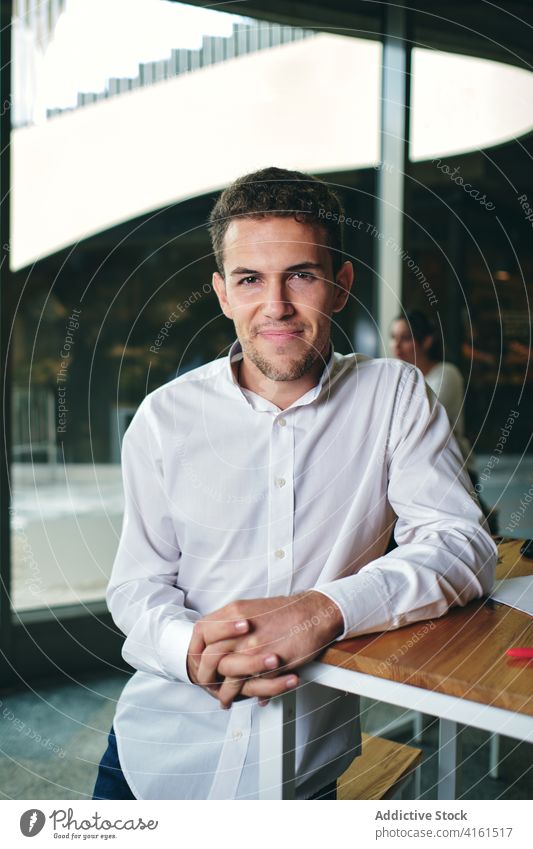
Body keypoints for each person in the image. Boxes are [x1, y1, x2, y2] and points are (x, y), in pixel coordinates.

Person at [93, 167, 496, 801]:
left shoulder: (393, 395)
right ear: (223, 293)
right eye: (251, 279)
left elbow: (461, 544)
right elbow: (138, 586)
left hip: (303, 773)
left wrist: (323, 610)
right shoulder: (163, 419)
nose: (276, 306)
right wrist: (192, 651)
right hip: (155, 761)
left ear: (339, 287)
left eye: (300, 276)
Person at [389, 310, 497, 532]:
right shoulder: (399, 379)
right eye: (393, 337)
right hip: (414, 475)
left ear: (426, 341)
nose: (396, 346)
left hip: (454, 474)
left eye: (406, 338)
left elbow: (418, 419)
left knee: (468, 540)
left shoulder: (446, 374)